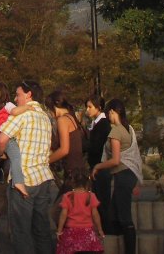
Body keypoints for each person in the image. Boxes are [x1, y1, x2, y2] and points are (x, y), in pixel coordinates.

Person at [0, 80, 55, 254]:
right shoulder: (45, 117)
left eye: (18, 94)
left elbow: (1, 139)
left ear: (29, 94)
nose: (15, 98)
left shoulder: (22, 115)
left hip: (24, 180)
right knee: (42, 229)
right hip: (43, 178)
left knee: (21, 232)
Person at [91, 98, 142, 254]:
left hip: (123, 174)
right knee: (114, 214)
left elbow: (115, 159)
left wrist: (98, 166)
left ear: (112, 112)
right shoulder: (129, 128)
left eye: (108, 113)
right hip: (129, 175)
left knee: (124, 216)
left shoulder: (116, 131)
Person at [0, 81, 32, 198]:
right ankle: (19, 182)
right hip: (7, 139)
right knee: (16, 157)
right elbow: (15, 111)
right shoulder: (8, 105)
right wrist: (27, 107)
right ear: (5, 94)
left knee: (5, 156)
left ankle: (1, 172)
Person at [55, 168, 105, 254]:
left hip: (71, 232)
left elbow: (63, 215)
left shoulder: (68, 196)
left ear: (73, 182)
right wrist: (100, 230)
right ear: (87, 182)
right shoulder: (91, 196)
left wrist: (59, 231)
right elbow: (95, 215)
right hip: (88, 232)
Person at [46, 90, 86, 195]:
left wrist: (46, 161)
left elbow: (64, 149)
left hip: (72, 172)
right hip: (78, 169)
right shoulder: (71, 117)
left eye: (49, 109)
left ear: (54, 106)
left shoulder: (62, 120)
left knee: (60, 209)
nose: (49, 113)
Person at [85, 94, 111, 232]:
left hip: (101, 166)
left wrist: (85, 145)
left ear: (99, 108)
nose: (87, 110)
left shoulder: (103, 124)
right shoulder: (96, 123)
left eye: (90, 107)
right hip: (96, 165)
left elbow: (96, 147)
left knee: (102, 200)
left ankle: (106, 229)